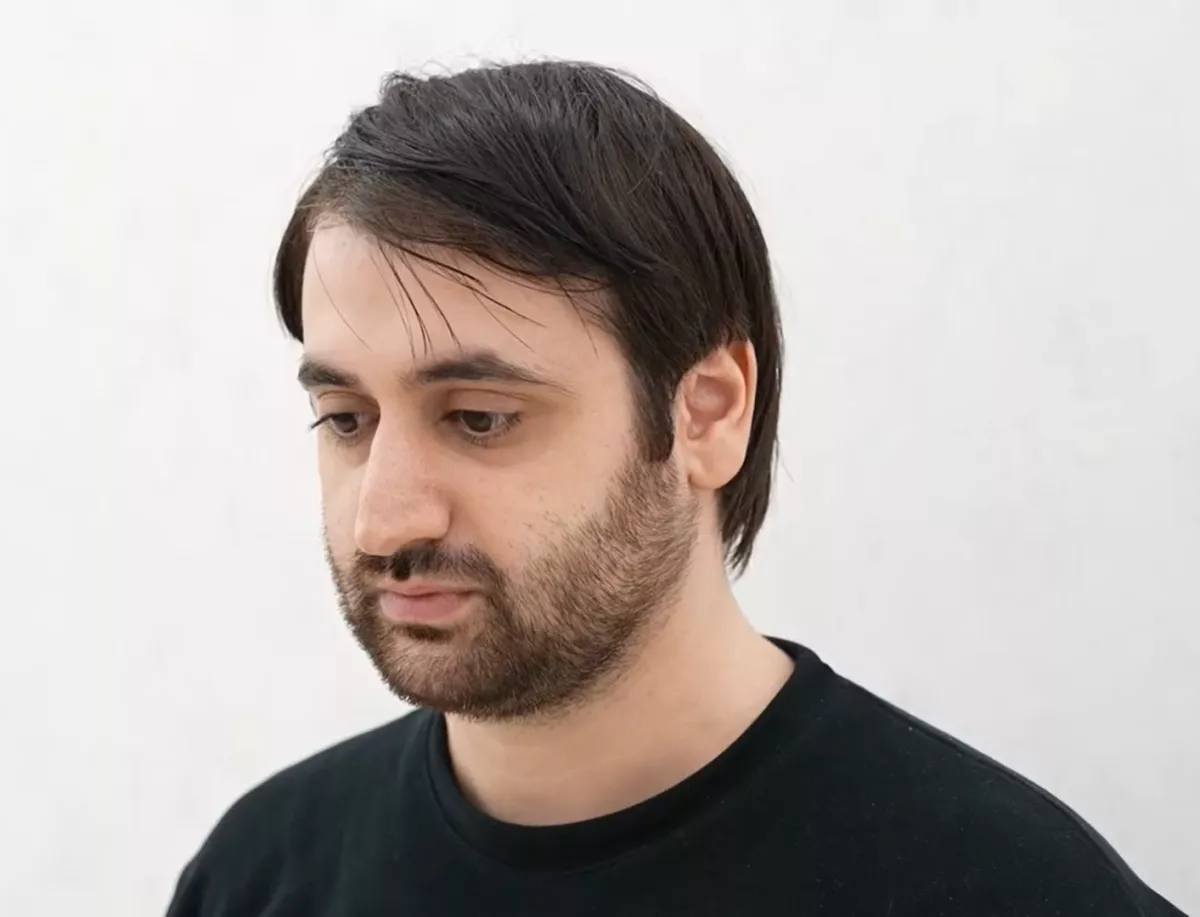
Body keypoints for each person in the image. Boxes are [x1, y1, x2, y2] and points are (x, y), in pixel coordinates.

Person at [166, 60, 1185, 916]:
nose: (384, 519)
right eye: (347, 418)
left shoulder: (1010, 890)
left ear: (706, 413)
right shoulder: (260, 876)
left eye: (479, 417)